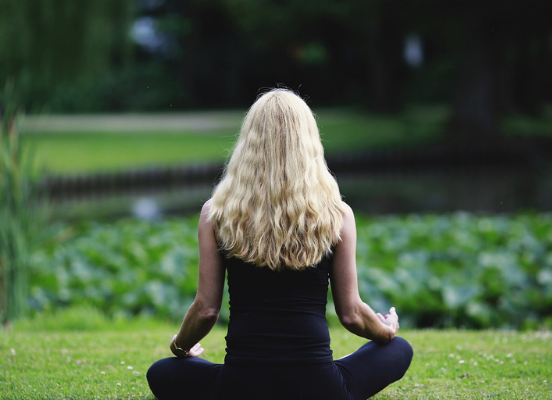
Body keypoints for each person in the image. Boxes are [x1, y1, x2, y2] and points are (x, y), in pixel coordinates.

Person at [146, 89, 413, 400]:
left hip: (240, 388)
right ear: (308, 141)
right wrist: (386, 330)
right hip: (321, 390)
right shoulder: (337, 214)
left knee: (161, 371)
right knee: (399, 349)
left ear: (248, 143)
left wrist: (180, 345)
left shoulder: (216, 214)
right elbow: (351, 314)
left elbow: (206, 310)